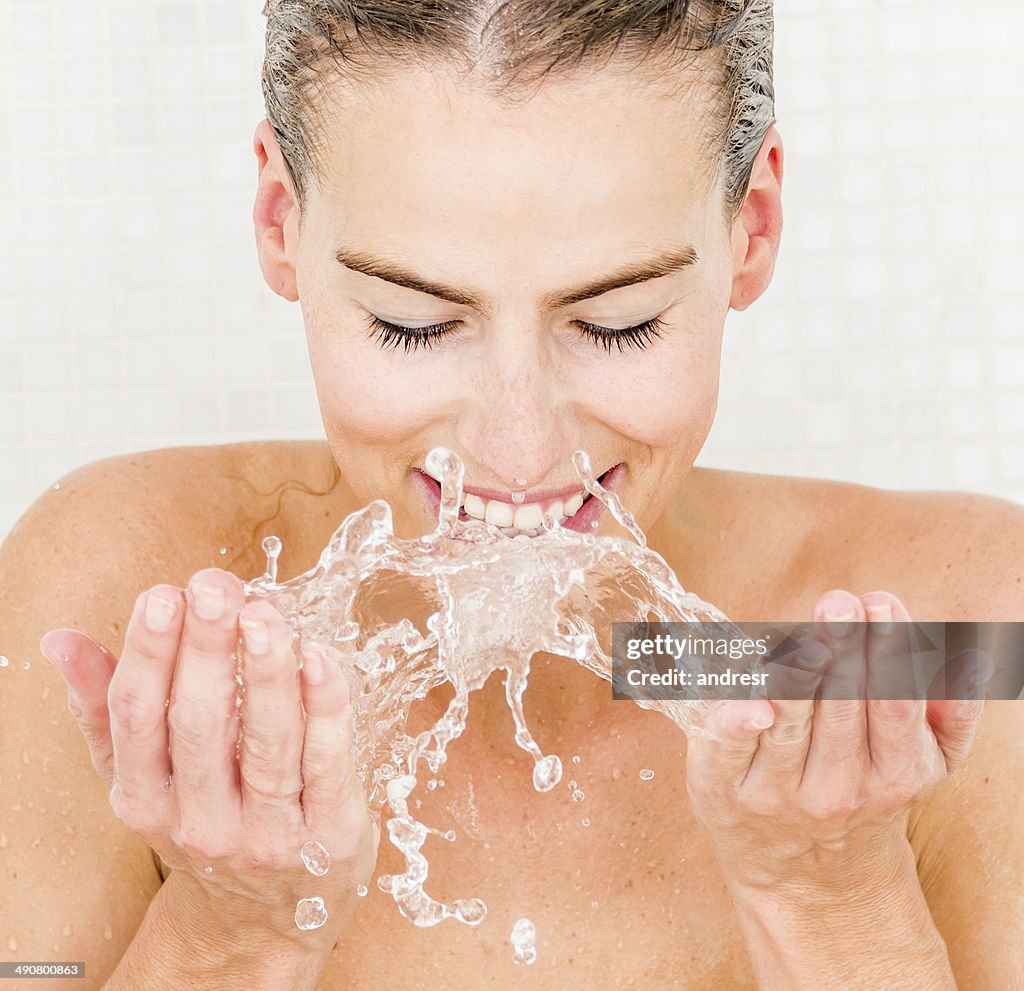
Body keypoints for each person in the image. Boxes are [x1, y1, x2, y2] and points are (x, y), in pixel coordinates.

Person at [2, 1, 1022, 988]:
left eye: (619, 323)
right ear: (280, 222)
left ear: (751, 227)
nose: (519, 448)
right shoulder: (116, 602)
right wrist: (231, 934)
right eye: (411, 323)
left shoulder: (956, 637)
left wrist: (833, 908)